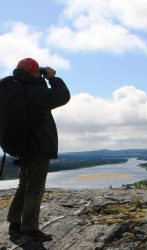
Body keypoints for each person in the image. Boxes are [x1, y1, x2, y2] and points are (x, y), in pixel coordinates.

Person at [6, 58, 70, 241]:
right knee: (34, 188)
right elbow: (62, 96)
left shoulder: (18, 90)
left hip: (24, 147)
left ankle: (15, 225)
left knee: (23, 186)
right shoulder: (34, 91)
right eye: (38, 71)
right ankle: (30, 230)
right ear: (34, 72)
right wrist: (53, 78)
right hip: (38, 147)